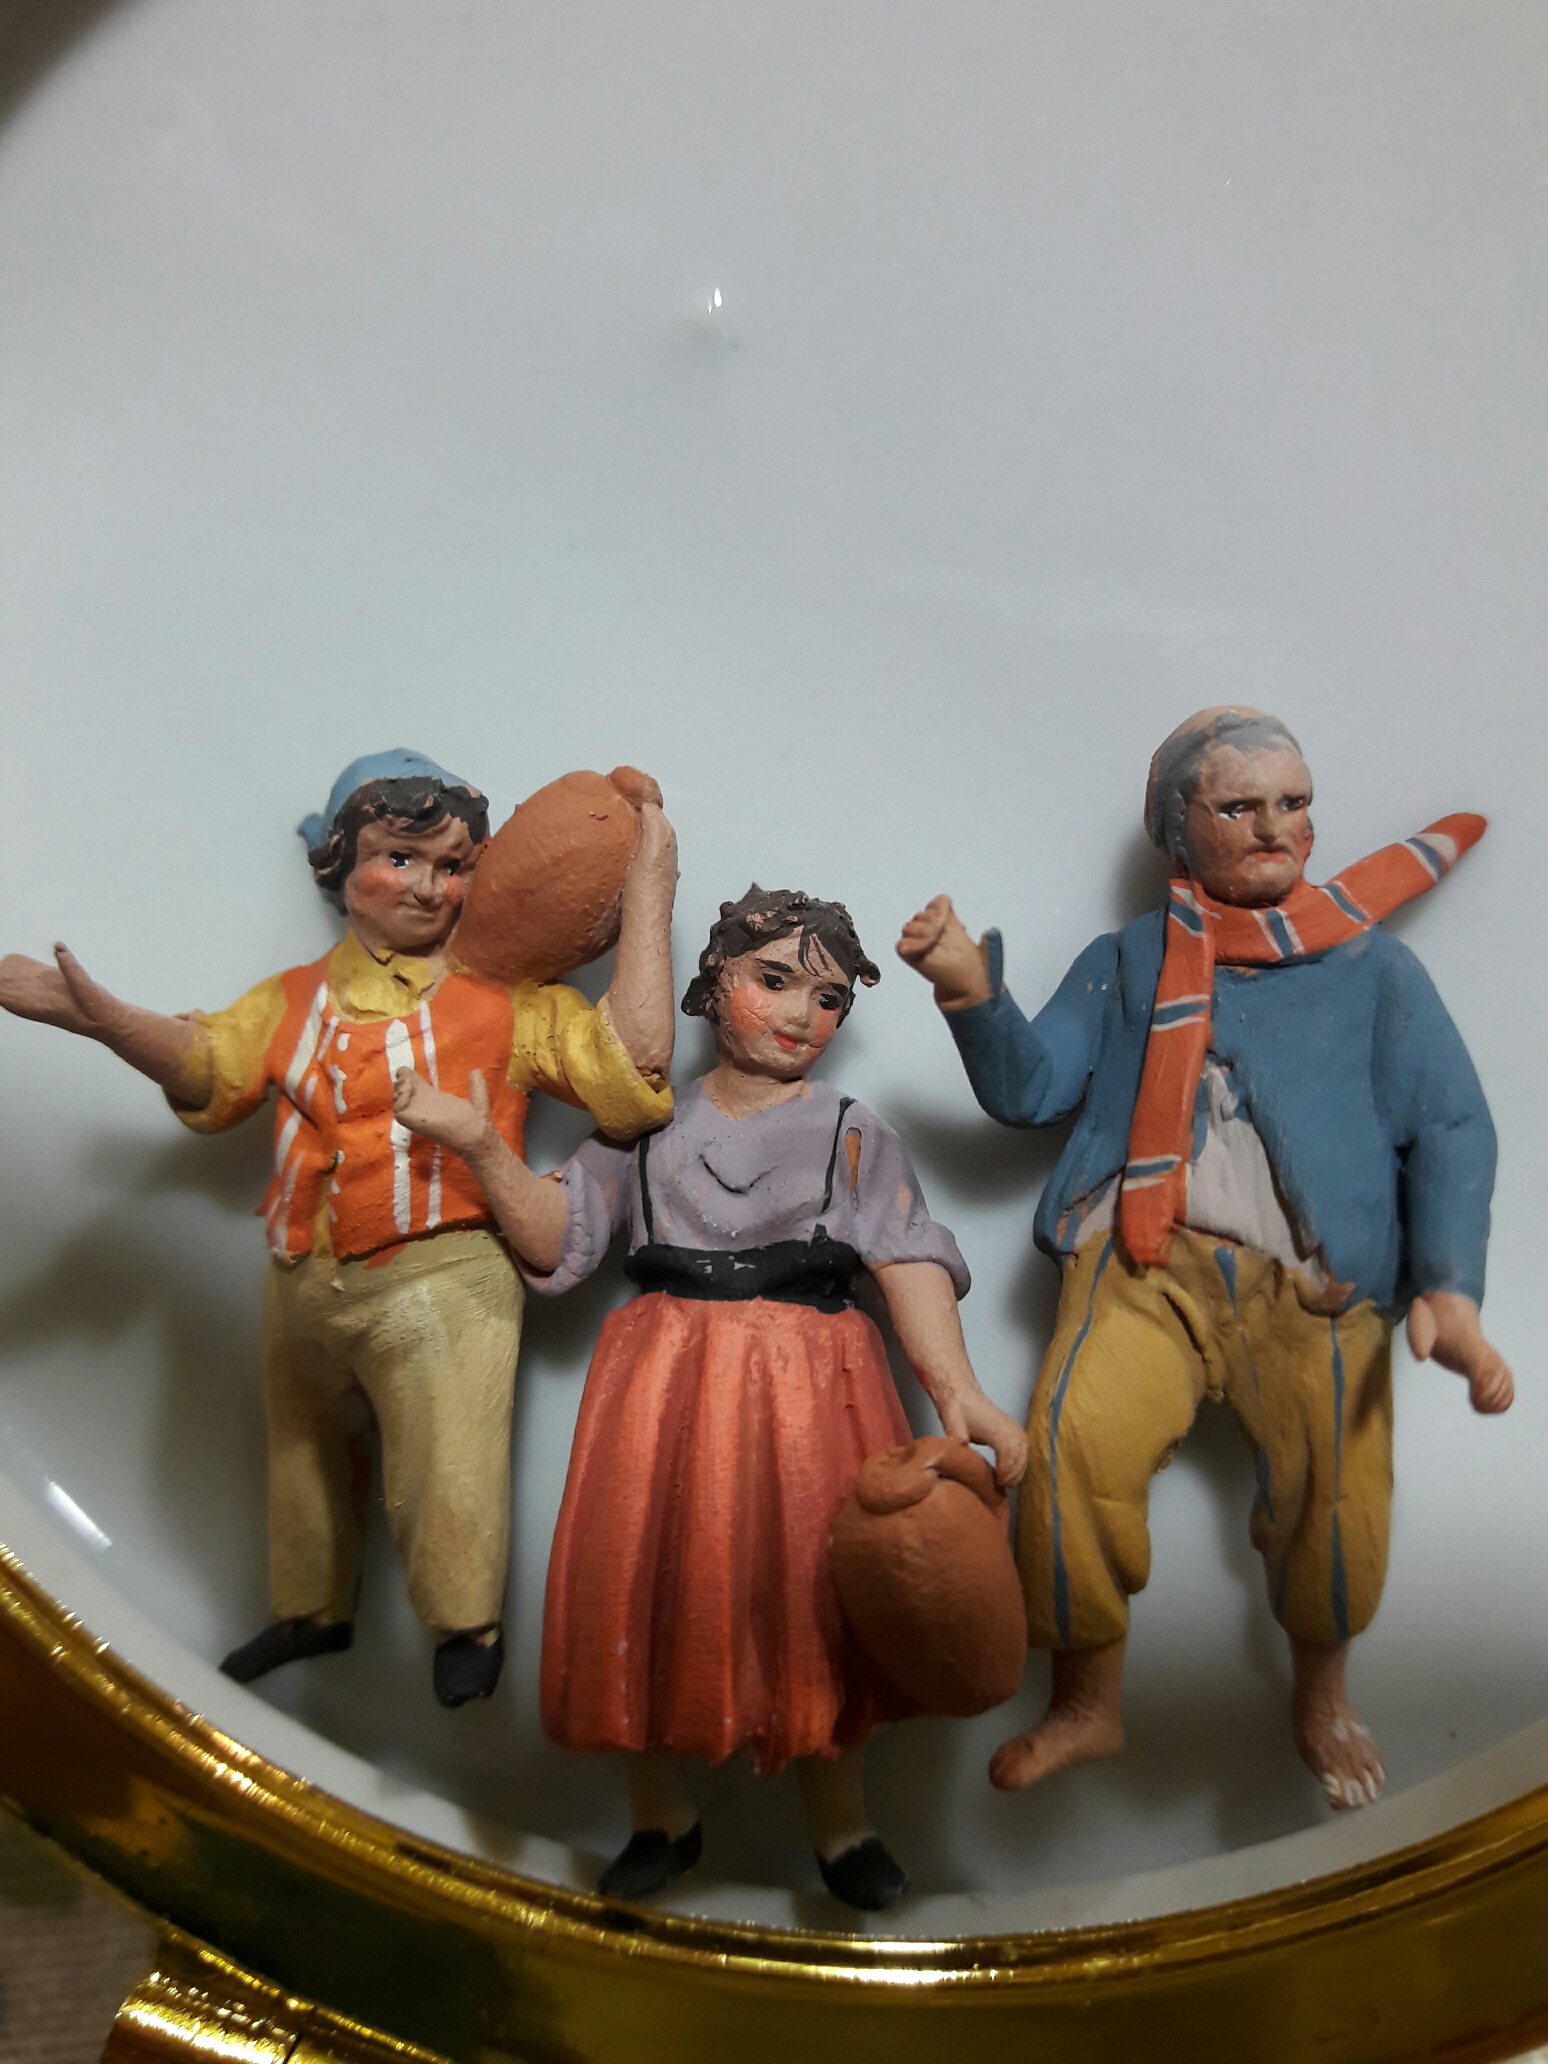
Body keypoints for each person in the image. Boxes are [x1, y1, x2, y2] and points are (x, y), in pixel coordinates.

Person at [896, 708, 1512, 1811]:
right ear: (1180, 828)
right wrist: (969, 992)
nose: (1274, 827)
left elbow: (1453, 1127)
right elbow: (1034, 1091)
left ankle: (1322, 1695)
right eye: (1239, 805)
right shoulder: (1130, 958)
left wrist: (1450, 1290)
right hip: (1146, 1262)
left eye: (1293, 803)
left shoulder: (1373, 969)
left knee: (1341, 1487)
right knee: (1075, 1439)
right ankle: (1086, 1700)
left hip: (1317, 1282)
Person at [0, 749, 678, 1707]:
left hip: (441, 1275)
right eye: (400, 858)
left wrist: (648, 894)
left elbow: (630, 1079)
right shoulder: (291, 996)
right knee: (300, 1445)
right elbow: (212, 1067)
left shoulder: (508, 1007)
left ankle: (465, 1627)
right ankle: (310, 1607)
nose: (428, 886)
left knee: (449, 1454)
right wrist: (107, 1021)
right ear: (339, 867)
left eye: (453, 865)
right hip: (300, 1268)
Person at [393, 885, 1027, 1909]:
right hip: (662, 1379)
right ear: (714, 981)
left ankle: (841, 1820)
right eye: (774, 980)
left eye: (828, 998)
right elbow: (559, 1239)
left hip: (816, 1385)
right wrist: (478, 1145)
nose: (800, 1015)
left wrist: (960, 1392)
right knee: (642, 1579)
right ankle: (660, 1814)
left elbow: (906, 1256)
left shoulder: (852, 1131)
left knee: (819, 1593)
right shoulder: (644, 1123)